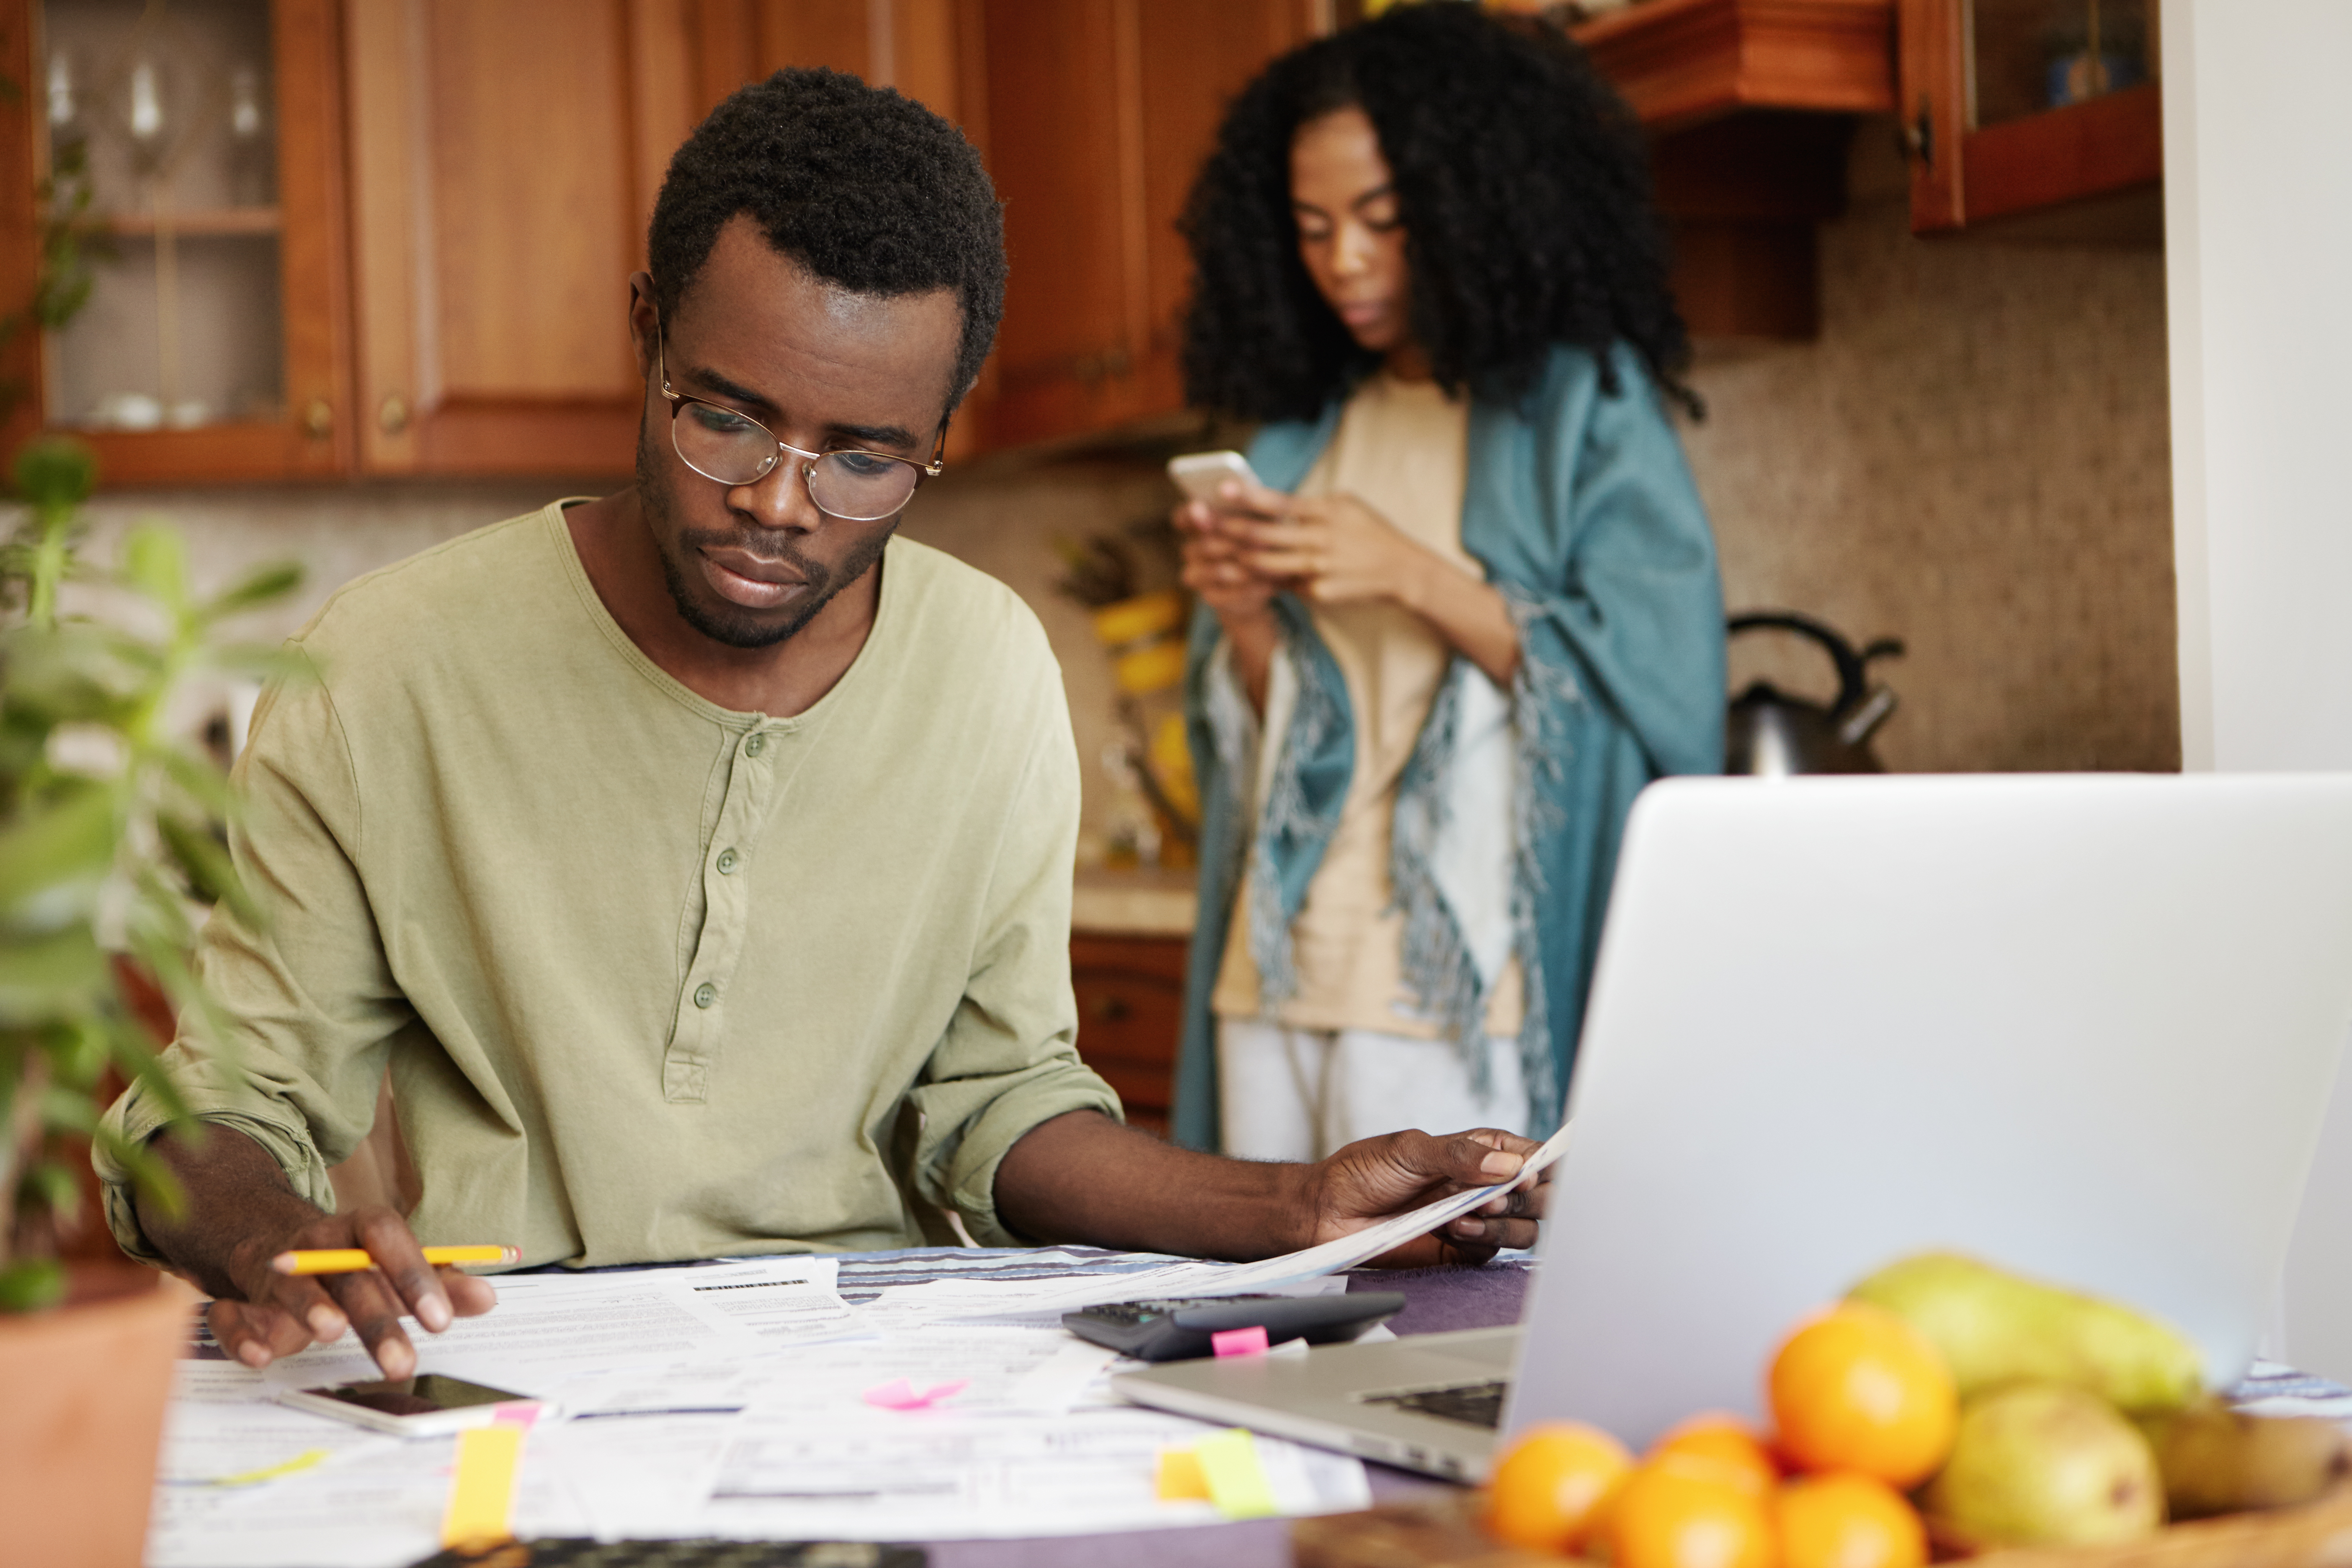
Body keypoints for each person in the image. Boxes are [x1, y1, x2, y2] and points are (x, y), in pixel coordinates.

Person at [95, 69, 1549, 1379]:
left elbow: (1000, 1103)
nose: (781, 505)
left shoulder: (990, 671)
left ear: (942, 433)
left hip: (882, 1372)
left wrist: (1298, 1208)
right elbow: (227, 1102)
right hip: (523, 1359)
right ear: (646, 330)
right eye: (723, 418)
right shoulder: (384, 667)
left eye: (865, 456)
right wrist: (263, 1232)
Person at [1171, 8, 1726, 1160]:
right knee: (1256, 1335)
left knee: (1437, 1329)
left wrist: (1411, 572)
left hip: (1462, 994)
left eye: (1384, 220)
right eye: (1312, 228)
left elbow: (1662, 685)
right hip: (1275, 975)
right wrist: (1238, 620)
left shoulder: (1578, 406)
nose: (1347, 263)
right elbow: (1283, 739)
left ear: (1475, 203)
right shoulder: (1301, 437)